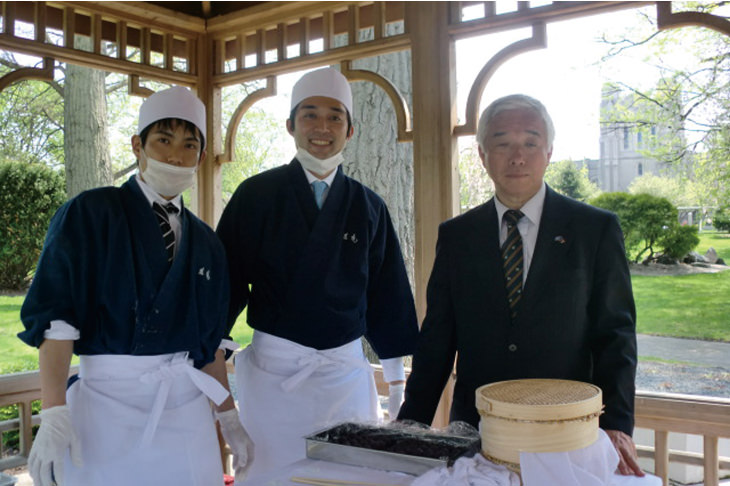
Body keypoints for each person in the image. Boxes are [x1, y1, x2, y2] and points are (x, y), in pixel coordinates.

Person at [397, 94, 644, 477]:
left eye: (530, 142)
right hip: (480, 434)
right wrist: (409, 426)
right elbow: (437, 339)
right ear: (482, 154)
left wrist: (617, 423)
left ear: (549, 152)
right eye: (502, 143)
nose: (517, 156)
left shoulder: (594, 229)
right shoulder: (458, 235)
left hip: (566, 433)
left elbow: (615, 333)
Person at [18, 86, 253, 486]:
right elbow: (56, 320)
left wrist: (228, 415)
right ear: (137, 146)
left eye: (189, 145)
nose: (175, 156)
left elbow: (209, 345)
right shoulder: (90, 214)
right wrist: (54, 409)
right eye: (163, 140)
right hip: (105, 412)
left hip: (185, 414)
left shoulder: (207, 243)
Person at [216, 67, 419, 478]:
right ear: (290, 125)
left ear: (351, 130)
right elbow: (226, 284)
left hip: (343, 377)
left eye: (334, 116)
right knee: (272, 475)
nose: (322, 127)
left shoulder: (368, 206)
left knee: (346, 478)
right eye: (309, 115)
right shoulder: (255, 196)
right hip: (276, 378)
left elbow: (388, 298)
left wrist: (398, 389)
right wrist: (221, 397)